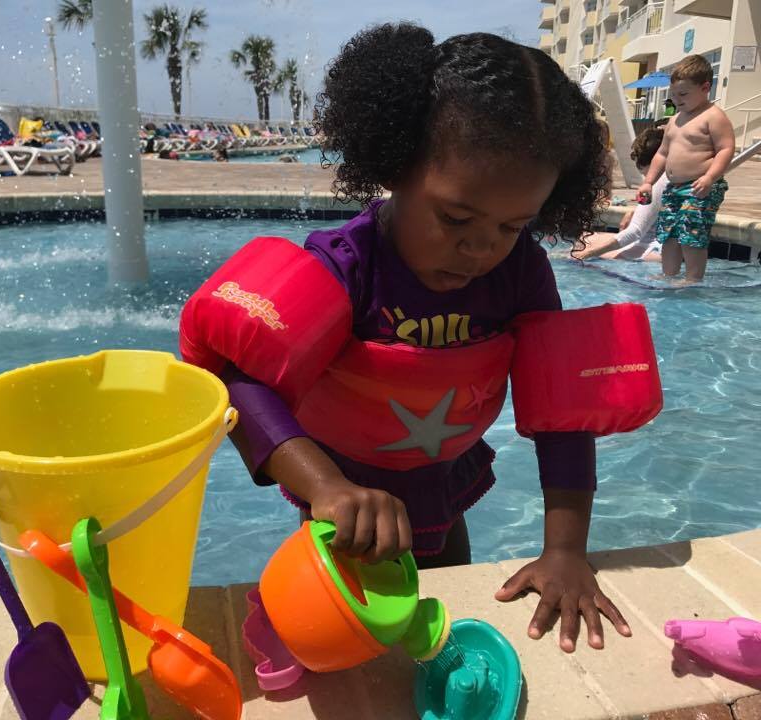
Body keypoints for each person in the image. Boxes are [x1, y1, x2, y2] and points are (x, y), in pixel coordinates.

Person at [182, 27, 645, 653]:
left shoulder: (521, 271)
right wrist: (325, 488)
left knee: (445, 619)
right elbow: (241, 380)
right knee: (345, 625)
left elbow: (564, 409)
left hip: (442, 477)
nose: (481, 247)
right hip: (341, 484)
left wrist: (564, 551)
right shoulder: (347, 268)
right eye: (455, 218)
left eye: (514, 224)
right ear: (395, 164)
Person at [636, 55, 735, 282]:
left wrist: (710, 177)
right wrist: (648, 182)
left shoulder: (713, 116)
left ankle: (692, 279)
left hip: (701, 186)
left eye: (683, 94)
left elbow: (726, 149)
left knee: (691, 235)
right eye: (673, 95)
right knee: (668, 233)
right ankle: (668, 274)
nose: (677, 100)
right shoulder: (676, 120)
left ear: (705, 87)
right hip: (674, 188)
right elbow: (662, 153)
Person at [574, 126, 666, 262]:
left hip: (652, 249)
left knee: (581, 248)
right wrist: (635, 212)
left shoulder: (656, 183)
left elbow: (634, 232)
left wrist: (590, 253)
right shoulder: (669, 178)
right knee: (585, 238)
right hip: (655, 246)